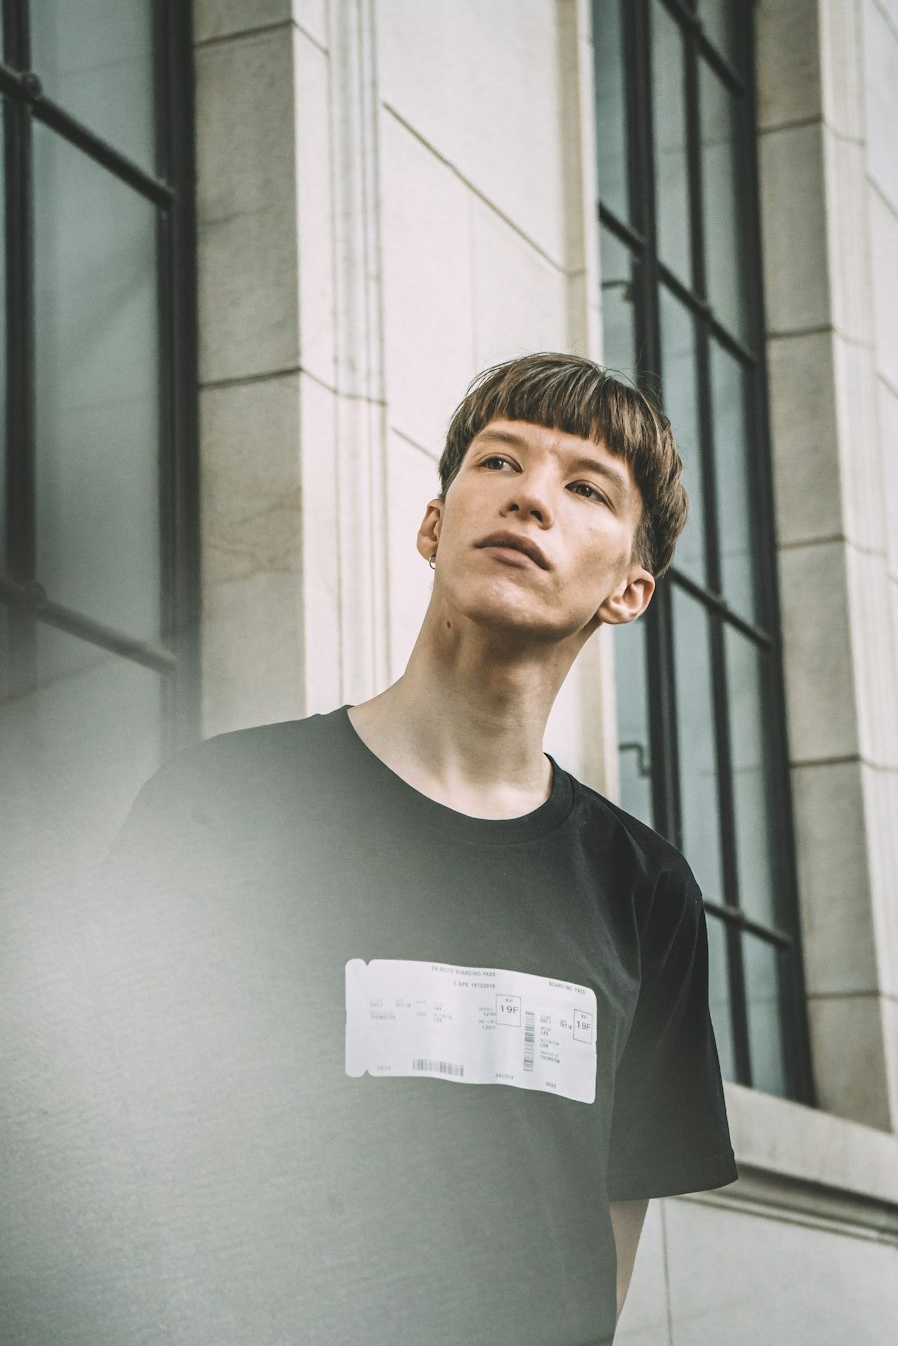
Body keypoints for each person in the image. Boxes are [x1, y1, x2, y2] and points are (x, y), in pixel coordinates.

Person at [86, 352, 736, 1346]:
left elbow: (606, 1237)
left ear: (629, 591)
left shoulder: (644, 892)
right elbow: (95, 1148)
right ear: (434, 527)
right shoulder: (217, 810)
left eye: (584, 487)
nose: (529, 499)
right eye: (498, 463)